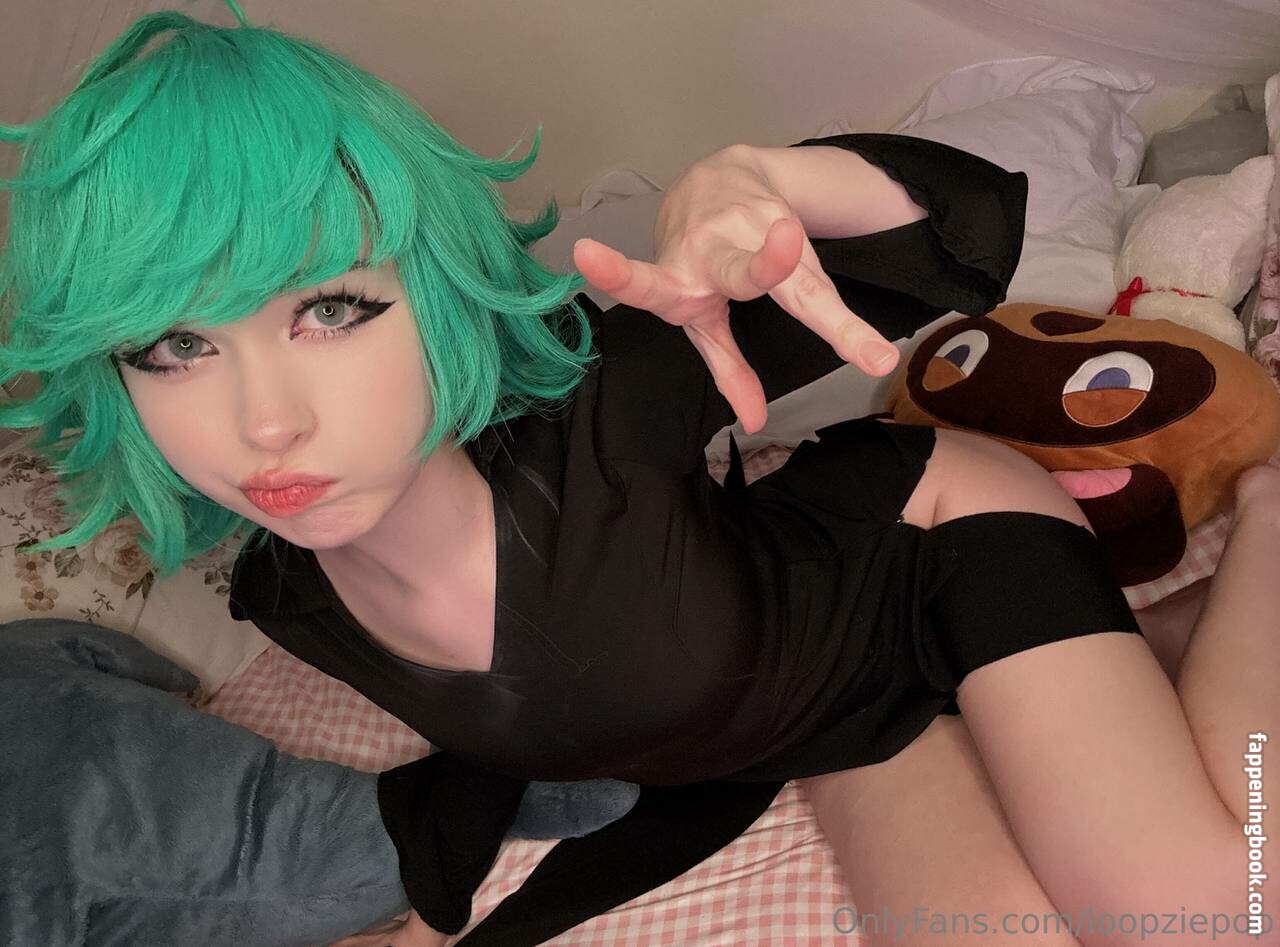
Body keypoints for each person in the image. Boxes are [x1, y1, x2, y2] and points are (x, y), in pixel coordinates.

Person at [1, 4, 1275, 945]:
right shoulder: (284, 593)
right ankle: (1119, 651)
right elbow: (526, 714)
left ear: (433, 292)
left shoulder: (593, 411)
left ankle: (1267, 515)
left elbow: (949, 240)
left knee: (1208, 910)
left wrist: (767, 179)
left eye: (329, 308)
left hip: (927, 545)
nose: (263, 423)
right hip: (828, 719)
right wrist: (421, 898)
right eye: (171, 347)